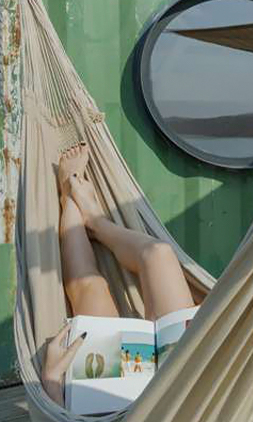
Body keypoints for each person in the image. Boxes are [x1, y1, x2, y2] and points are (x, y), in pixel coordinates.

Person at [41, 143, 197, 408]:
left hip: (121, 410)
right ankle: (96, 222)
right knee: (158, 254)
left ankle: (69, 198)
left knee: (90, 286)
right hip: (185, 380)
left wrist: (52, 379)